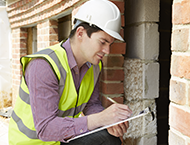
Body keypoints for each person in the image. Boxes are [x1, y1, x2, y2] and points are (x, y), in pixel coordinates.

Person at [8, 0, 132, 144]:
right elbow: (46, 129)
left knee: (110, 139)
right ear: (80, 33)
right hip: (32, 143)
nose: (107, 51)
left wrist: (109, 121)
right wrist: (100, 119)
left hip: (61, 140)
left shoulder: (94, 66)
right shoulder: (43, 66)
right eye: (103, 42)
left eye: (110, 44)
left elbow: (91, 105)